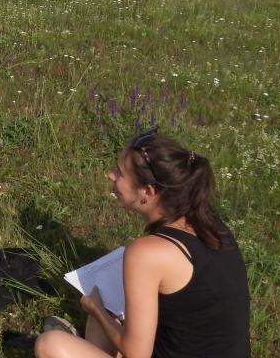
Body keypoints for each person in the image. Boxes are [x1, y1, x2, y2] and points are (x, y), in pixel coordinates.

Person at [35, 129, 250, 358]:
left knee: (50, 345)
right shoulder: (212, 226)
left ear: (147, 192)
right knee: (110, 308)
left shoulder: (147, 253)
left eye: (120, 172)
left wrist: (95, 309)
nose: (111, 176)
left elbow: (137, 354)